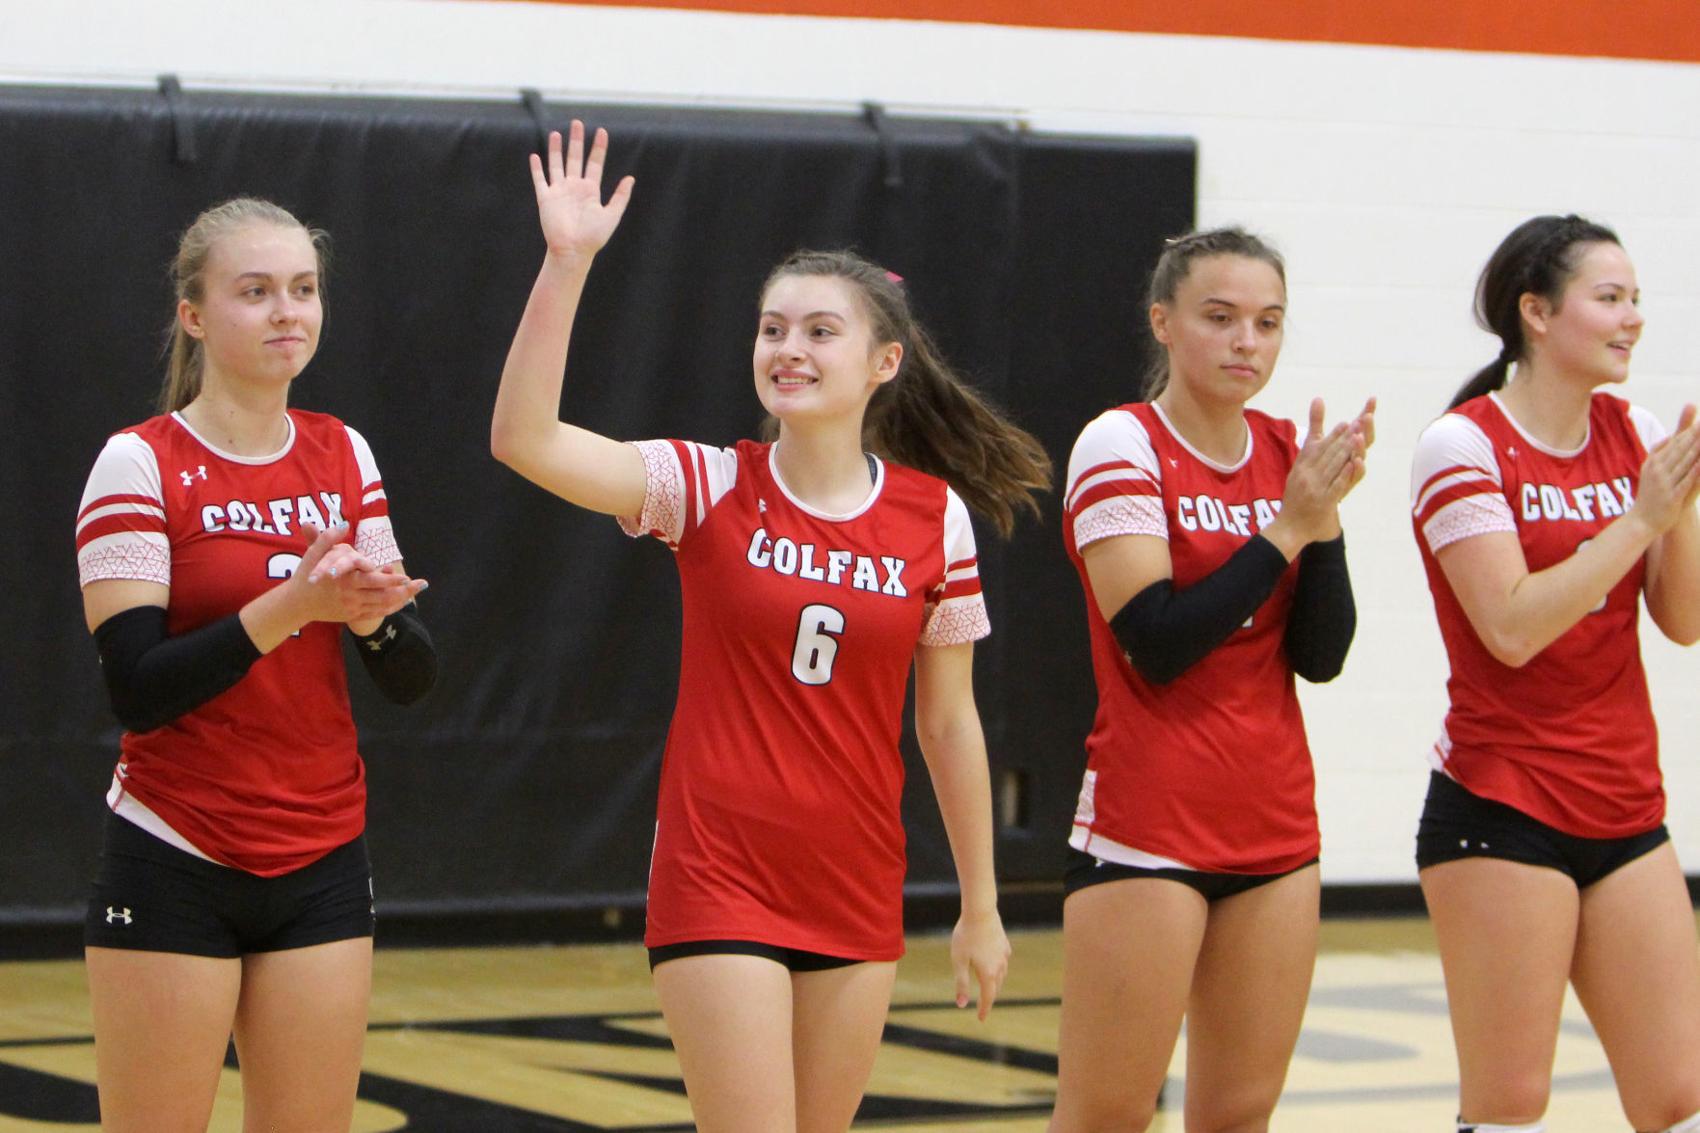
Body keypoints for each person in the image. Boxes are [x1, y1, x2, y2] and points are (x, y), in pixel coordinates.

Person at [490, 121, 1049, 1133]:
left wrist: (981, 903)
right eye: (772, 328)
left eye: (819, 331)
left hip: (854, 878)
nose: (788, 348)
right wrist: (566, 264)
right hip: (719, 872)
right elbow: (524, 439)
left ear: (883, 361)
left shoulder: (934, 518)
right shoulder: (705, 484)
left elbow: (947, 722)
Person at [74, 197, 435, 1130]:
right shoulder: (138, 463)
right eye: (257, 291)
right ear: (194, 315)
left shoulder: (342, 451)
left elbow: (410, 674)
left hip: (321, 854)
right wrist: (291, 607)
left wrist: (371, 617)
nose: (288, 311)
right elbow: (138, 687)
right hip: (175, 849)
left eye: (304, 289)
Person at [1050, 227, 1370, 1132]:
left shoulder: (1286, 450)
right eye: (1220, 317)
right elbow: (1155, 640)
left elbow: (1322, 656)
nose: (1246, 342)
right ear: (1164, 321)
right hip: (1149, 824)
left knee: (1239, 1113)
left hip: (1276, 827)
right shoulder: (1120, 442)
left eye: (1268, 322)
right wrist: (1287, 528)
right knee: (1106, 1115)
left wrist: (1323, 523)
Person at [1410, 214, 1700, 1133]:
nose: (1633, 317)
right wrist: (1640, 520)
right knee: (1510, 1103)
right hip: (1503, 805)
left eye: (1636, 298)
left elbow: (1684, 622)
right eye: (1609, 297)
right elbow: (1511, 627)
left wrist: (1681, 507)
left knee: (1681, 1097)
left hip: (1624, 802)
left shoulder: (1635, 432)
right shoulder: (1460, 446)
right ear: (1536, 313)